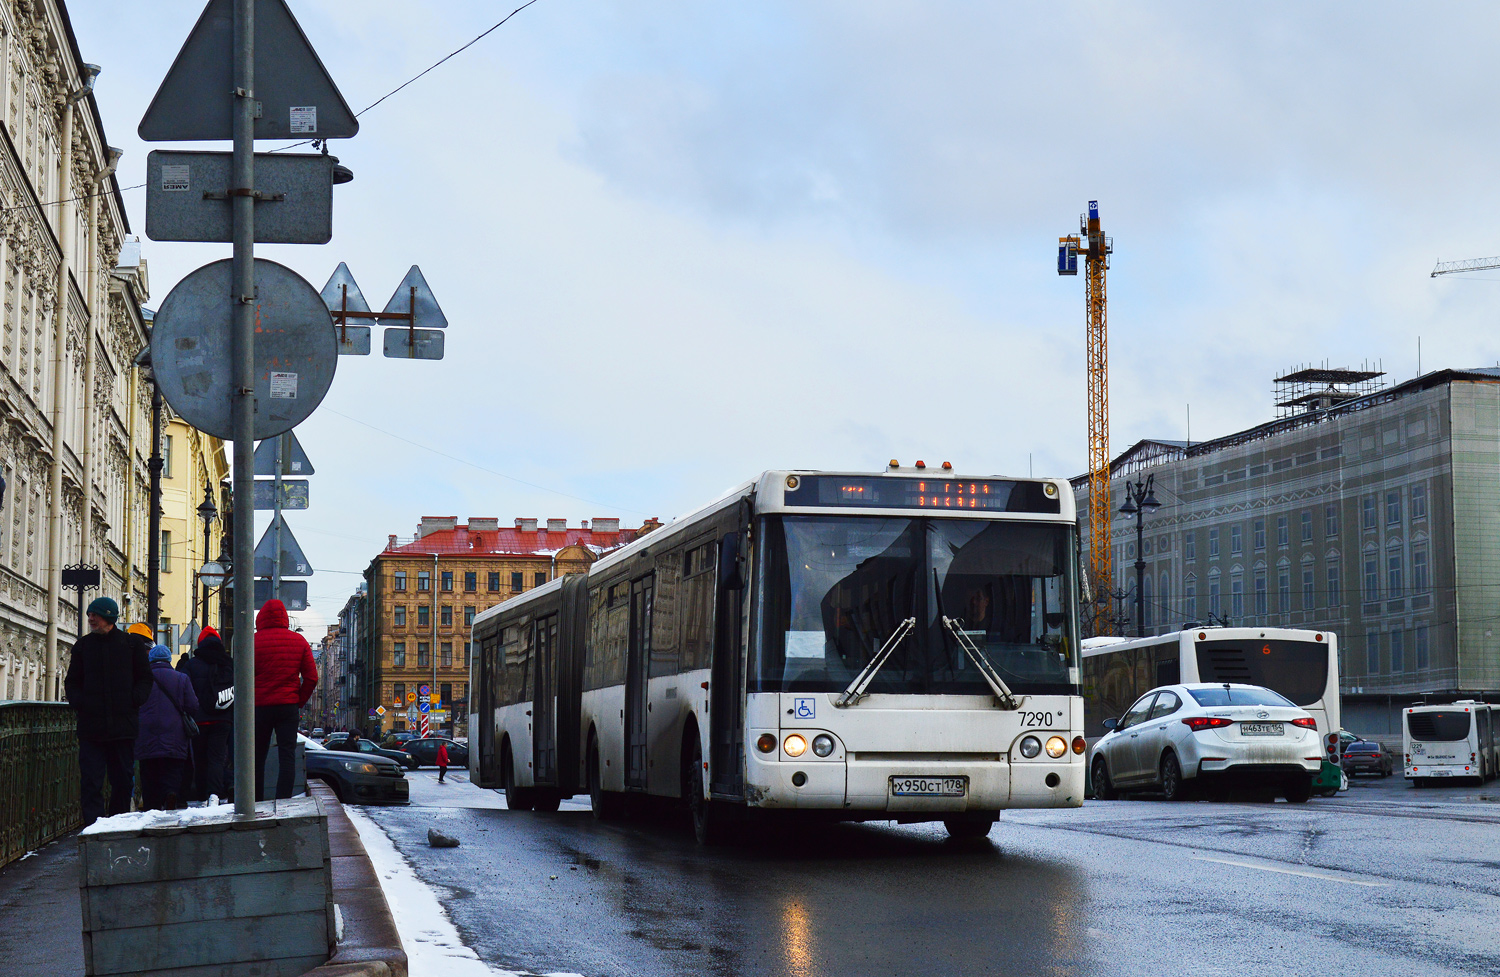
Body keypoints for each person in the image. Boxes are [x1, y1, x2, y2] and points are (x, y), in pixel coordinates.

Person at [64, 597, 152, 826]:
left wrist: (135, 699)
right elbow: (72, 682)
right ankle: (93, 827)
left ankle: (118, 823)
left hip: (123, 728)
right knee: (91, 782)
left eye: (96, 615)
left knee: (122, 780)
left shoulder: (131, 646)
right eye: (90, 615)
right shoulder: (83, 647)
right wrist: (80, 702)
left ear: (109, 617)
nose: (91, 619)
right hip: (91, 729)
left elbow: (145, 678)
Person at [253, 599, 318, 801]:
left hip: (259, 707)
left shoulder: (251, 641)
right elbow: (312, 678)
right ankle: (283, 801)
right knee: (287, 755)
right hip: (287, 706)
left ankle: (255, 800)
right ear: (285, 618)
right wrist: (298, 700)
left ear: (260, 617)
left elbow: (240, 675)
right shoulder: (299, 641)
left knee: (256, 756)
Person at [137, 645, 199, 810]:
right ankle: (170, 793)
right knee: (172, 768)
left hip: (146, 731)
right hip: (174, 731)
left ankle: (152, 804)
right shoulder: (181, 678)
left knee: (149, 769)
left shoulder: (141, 678)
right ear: (168, 659)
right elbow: (193, 705)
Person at [177, 625, 234, 802]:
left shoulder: (192, 664)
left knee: (200, 760)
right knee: (217, 758)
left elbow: (183, 690)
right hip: (222, 719)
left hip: (199, 720)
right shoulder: (228, 663)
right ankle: (214, 794)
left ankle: (202, 794)